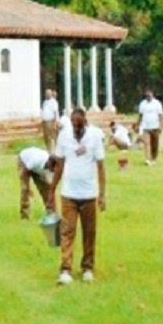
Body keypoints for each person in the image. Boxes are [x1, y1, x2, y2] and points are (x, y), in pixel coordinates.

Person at [47, 108, 106, 285]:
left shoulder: (95, 136)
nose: (76, 129)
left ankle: (87, 267)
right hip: (69, 193)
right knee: (67, 231)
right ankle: (65, 269)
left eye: (79, 126)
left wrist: (102, 194)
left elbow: (101, 166)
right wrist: (52, 190)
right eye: (73, 125)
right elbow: (59, 165)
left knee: (89, 232)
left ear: (85, 123)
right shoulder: (64, 136)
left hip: (88, 193)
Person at [17, 147, 57, 220]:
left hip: (36, 167)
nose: (53, 170)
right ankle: (24, 215)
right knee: (25, 190)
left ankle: (52, 213)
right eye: (53, 168)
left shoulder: (52, 166)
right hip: (24, 161)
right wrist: (27, 186)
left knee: (46, 189)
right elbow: (25, 172)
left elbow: (51, 185)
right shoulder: (36, 161)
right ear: (49, 163)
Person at [137, 89, 163, 165]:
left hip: (155, 126)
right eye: (146, 96)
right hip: (146, 127)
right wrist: (138, 125)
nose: (148, 97)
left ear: (152, 95)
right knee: (146, 143)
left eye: (149, 95)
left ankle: (154, 158)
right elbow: (140, 115)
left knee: (154, 144)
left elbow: (161, 115)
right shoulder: (142, 104)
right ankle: (147, 159)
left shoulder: (157, 103)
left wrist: (161, 126)